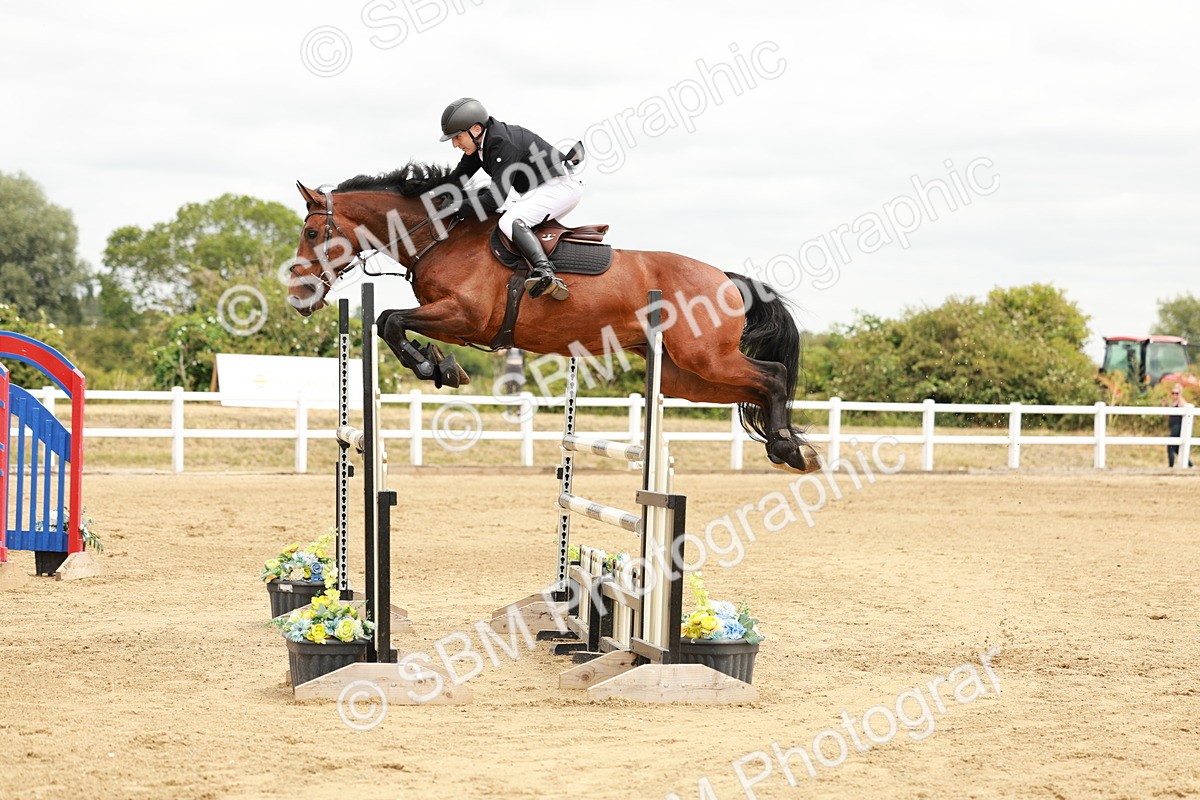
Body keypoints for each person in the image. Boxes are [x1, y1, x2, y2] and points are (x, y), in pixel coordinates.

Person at [439, 97, 582, 301]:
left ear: (476, 129)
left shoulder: (502, 144)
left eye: (457, 137)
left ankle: (545, 272)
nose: (455, 144)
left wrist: (453, 207)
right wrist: (429, 197)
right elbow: (456, 180)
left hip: (561, 186)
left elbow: (494, 200)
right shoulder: (479, 144)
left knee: (510, 221)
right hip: (545, 187)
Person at [1166, 383, 1194, 468]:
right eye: (1173, 393)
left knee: (1170, 447)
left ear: (1180, 393)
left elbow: (1186, 409)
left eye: (1177, 393)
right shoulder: (1173, 403)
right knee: (1177, 449)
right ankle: (1191, 465)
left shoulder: (1181, 403)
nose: (1174, 395)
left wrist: (1181, 398)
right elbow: (1169, 416)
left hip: (1178, 427)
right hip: (1173, 427)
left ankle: (1170, 467)